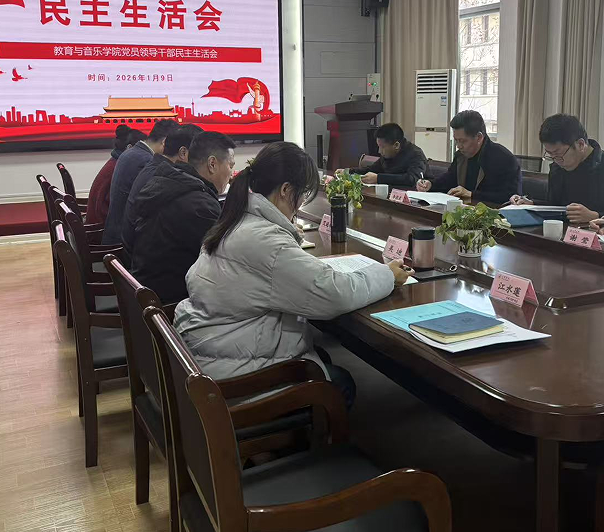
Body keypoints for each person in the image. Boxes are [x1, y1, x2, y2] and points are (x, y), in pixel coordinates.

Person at [174, 141, 413, 406]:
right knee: (340, 384)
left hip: (212, 346)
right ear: (286, 190)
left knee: (321, 356)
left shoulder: (236, 218)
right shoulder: (265, 240)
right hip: (227, 375)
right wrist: (387, 275)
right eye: (302, 195)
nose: (299, 206)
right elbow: (334, 294)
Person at [130, 131, 236, 302]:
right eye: (230, 166)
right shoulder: (199, 205)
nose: (231, 174)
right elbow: (226, 262)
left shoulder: (169, 181)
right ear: (212, 164)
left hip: (148, 290)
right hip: (171, 302)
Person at [510, 114, 604, 223]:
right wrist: (532, 205)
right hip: (562, 236)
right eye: (550, 155)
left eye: (559, 154)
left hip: (602, 240)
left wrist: (596, 216)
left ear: (580, 144)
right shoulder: (557, 168)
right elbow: (557, 207)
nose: (556, 160)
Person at [121, 123, 203, 250]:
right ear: (183, 152)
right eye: (200, 155)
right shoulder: (162, 176)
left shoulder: (155, 167)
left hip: (134, 247)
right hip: (138, 254)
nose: (201, 162)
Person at [416, 110, 521, 205]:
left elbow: (511, 197)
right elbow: (449, 180)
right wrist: (430, 185)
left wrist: (472, 194)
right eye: (456, 140)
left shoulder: (504, 159)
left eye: (462, 141)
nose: (458, 146)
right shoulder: (461, 156)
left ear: (479, 137)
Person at [102, 120, 174, 244]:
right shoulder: (146, 161)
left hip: (114, 233)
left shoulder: (132, 152)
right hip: (122, 243)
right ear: (164, 142)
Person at [336, 123, 427, 189]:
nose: (379, 151)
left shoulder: (415, 154)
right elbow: (371, 170)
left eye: (382, 147)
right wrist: (348, 172)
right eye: (378, 146)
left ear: (396, 145)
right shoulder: (387, 154)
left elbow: (412, 179)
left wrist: (378, 178)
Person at [85, 125, 133, 225]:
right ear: (129, 148)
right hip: (101, 227)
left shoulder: (115, 162)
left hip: (96, 219)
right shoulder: (120, 167)